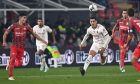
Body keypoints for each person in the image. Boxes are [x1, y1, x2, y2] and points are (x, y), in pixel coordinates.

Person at [2, 14, 48, 80]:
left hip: (22, 47)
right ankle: (10, 76)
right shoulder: (14, 25)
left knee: (19, 64)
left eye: (25, 18)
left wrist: (43, 40)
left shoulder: (27, 26)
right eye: (24, 18)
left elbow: (34, 34)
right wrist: (4, 41)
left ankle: (9, 63)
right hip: (14, 46)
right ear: (20, 18)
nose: (25, 19)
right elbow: (5, 33)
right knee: (12, 59)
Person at [124, 8, 140, 76]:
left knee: (133, 60)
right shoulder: (138, 20)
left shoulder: (130, 22)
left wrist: (126, 45)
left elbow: (130, 36)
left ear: (127, 14)